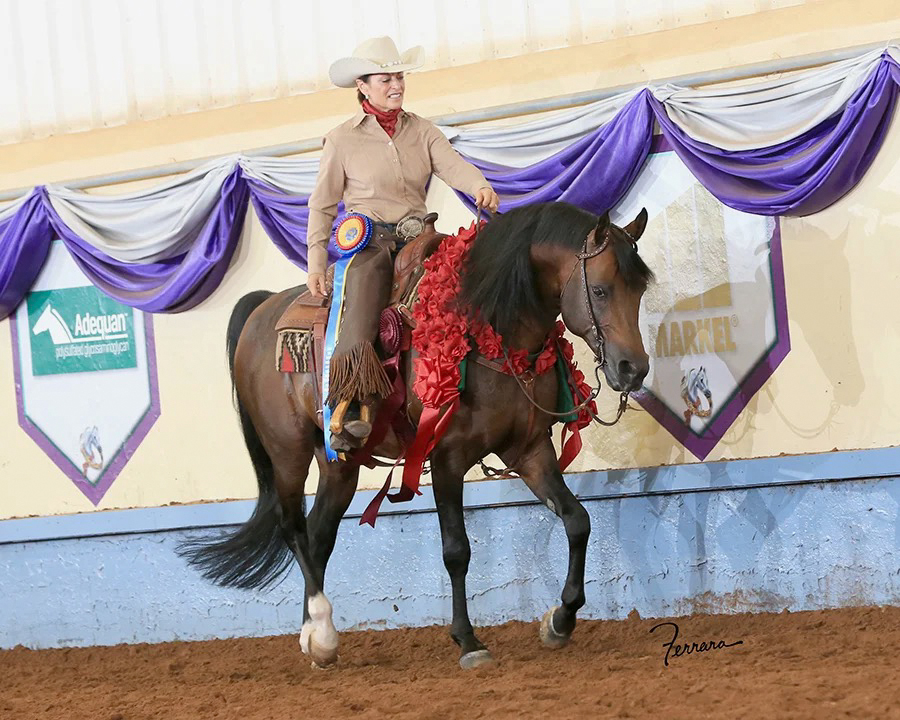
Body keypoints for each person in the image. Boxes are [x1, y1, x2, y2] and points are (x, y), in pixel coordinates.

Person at [307, 36, 499, 451]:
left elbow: (453, 166)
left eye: (399, 76)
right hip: (370, 242)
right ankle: (351, 404)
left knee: (467, 283)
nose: (396, 85)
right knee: (361, 303)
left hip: (421, 235)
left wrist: (479, 185)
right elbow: (322, 205)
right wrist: (315, 262)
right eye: (385, 78)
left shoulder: (423, 130)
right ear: (362, 85)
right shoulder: (340, 140)